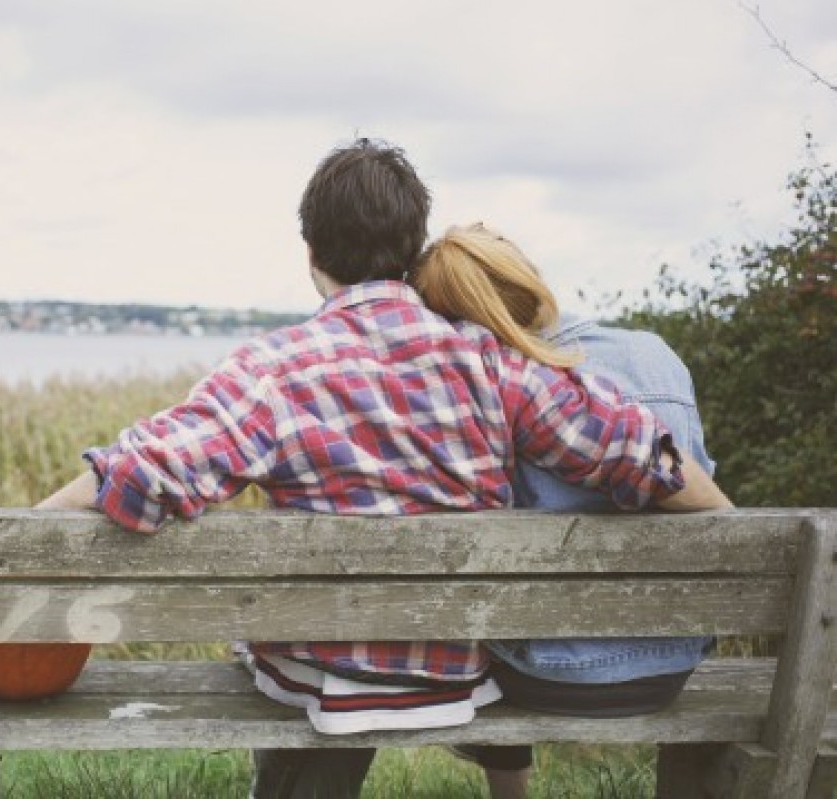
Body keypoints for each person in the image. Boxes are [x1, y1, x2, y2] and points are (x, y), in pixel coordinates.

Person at [37, 139, 732, 799]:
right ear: (410, 249)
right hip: (451, 673)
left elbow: (147, 470)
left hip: (321, 677)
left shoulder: (272, 370)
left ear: (312, 253)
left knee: (278, 650)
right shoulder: (488, 360)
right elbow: (639, 455)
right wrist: (732, 527)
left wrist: (25, 530)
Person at [411, 222, 719, 799]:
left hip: (543, 673)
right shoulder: (654, 355)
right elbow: (707, 498)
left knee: (482, 614)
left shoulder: (495, 381)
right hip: (673, 665)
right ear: (526, 276)